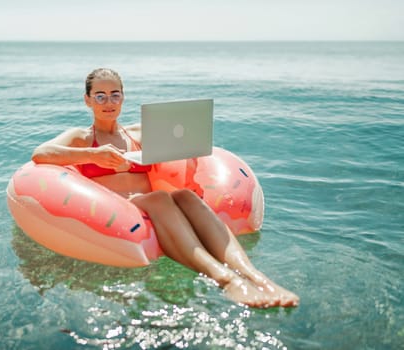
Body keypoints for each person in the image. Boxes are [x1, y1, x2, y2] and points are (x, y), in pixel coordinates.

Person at [32, 68, 299, 308]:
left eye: (115, 95)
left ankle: (255, 276)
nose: (108, 102)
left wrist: (190, 162)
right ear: (87, 100)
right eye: (99, 96)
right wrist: (94, 156)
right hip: (118, 208)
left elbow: (184, 148)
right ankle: (226, 280)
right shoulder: (82, 137)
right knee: (160, 198)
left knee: (183, 195)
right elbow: (41, 153)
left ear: (123, 97)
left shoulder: (139, 134)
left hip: (152, 201)